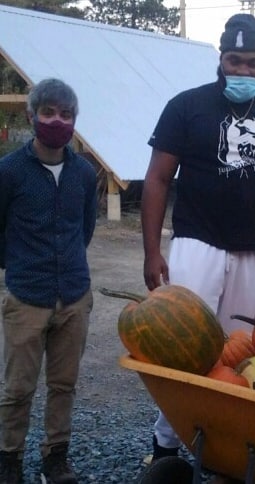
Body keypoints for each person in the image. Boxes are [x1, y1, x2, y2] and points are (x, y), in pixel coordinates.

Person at [141, 13, 255, 460]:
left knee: (239, 354)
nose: (243, 71)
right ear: (220, 58)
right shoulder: (186, 107)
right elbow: (157, 179)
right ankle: (166, 445)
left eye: (253, 63)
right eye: (235, 60)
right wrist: (152, 251)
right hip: (196, 244)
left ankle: (226, 450)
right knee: (184, 350)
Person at [0, 78, 97, 484]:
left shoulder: (84, 173)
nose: (57, 121)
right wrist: (21, 266)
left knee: (63, 385)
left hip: (73, 296)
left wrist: (67, 266)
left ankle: (55, 458)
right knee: (17, 389)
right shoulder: (9, 172)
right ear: (31, 116)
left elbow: (85, 229)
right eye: (49, 112)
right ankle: (9, 460)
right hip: (27, 297)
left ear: (74, 120)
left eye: (66, 114)